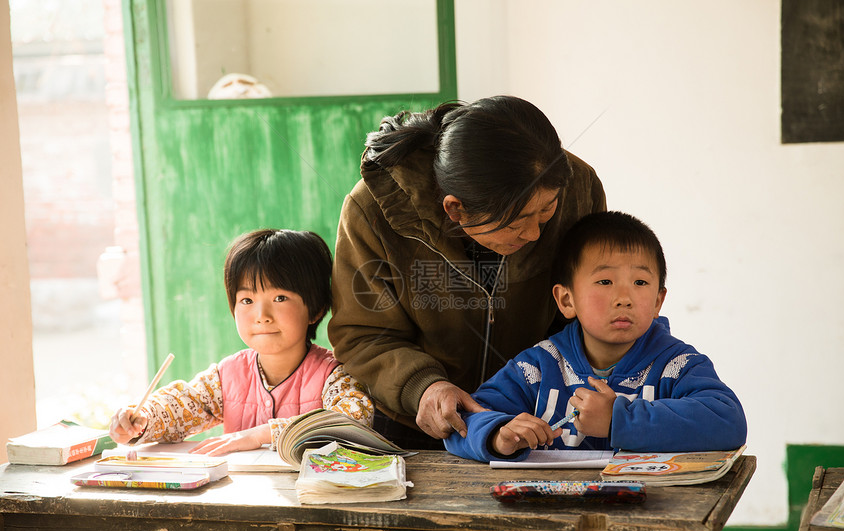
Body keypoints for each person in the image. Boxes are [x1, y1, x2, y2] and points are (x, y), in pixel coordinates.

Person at [328, 95, 606, 449]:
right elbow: (363, 333)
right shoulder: (372, 209)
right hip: (425, 425)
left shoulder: (578, 187)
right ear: (455, 209)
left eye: (546, 211)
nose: (535, 234)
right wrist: (424, 386)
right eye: (518, 221)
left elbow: (589, 307)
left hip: (535, 421)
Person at [444, 211, 747, 462]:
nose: (624, 298)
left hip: (649, 517)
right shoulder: (538, 367)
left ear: (658, 300)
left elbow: (727, 422)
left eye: (640, 281)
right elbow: (462, 422)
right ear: (566, 300)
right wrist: (498, 435)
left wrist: (618, 420)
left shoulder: (677, 365)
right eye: (605, 281)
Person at [109, 229, 373, 456]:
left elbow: (352, 420)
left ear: (316, 310)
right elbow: (182, 406)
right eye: (247, 300)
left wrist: (260, 435)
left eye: (280, 298)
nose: (262, 316)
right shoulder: (227, 376)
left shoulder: (336, 375)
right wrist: (143, 420)